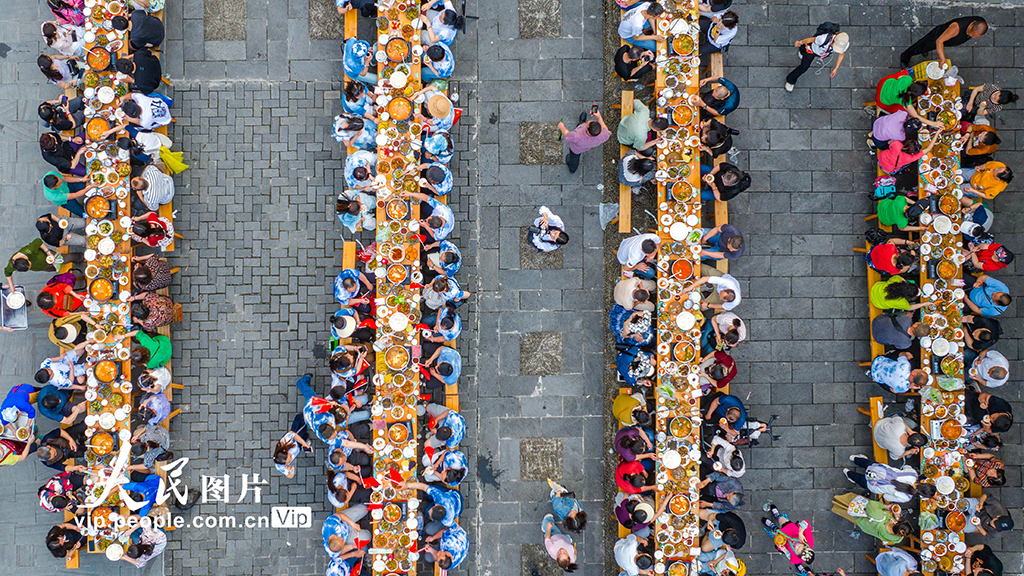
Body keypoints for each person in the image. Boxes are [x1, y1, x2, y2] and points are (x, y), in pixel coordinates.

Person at [843, 455, 936, 503]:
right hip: (875, 486)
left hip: (880, 470)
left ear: (924, 483)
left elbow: (906, 466)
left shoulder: (913, 475)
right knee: (859, 479)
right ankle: (848, 473)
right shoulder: (906, 498)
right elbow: (886, 497)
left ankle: (854, 458)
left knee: (866, 463)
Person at [900, 16, 987, 68]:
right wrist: (942, 58)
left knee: (928, 48)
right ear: (971, 25)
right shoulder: (956, 28)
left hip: (948, 40)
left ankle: (925, 50)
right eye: (972, 35)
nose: (973, 38)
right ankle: (904, 57)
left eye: (975, 37)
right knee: (919, 47)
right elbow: (939, 41)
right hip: (937, 37)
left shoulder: (980, 22)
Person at [784, 27, 849, 91]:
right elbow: (810, 40)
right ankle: (790, 80)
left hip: (821, 53)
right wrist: (799, 43)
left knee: (804, 51)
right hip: (812, 50)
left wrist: (836, 68)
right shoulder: (823, 39)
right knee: (803, 67)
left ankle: (802, 52)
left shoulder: (844, 44)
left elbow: (841, 54)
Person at [831, 492, 910, 544]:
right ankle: (836, 507)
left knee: (847, 504)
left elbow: (871, 505)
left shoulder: (880, 517)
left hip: (860, 511)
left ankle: (837, 500)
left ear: (896, 523)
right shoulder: (897, 539)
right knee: (846, 513)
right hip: (866, 525)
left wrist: (886, 506)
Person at [761, 501, 814, 571]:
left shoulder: (796, 560)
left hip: (784, 542)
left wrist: (785, 550)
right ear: (805, 545)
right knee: (781, 520)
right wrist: (800, 533)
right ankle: (777, 515)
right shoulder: (809, 541)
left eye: (797, 550)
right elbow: (806, 523)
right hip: (791, 529)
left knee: (776, 532)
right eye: (800, 546)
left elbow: (790, 557)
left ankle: (772, 525)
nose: (796, 546)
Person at [558, 107, 610, 174]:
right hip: (585, 146)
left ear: (587, 129)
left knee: (574, 158)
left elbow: (567, 134)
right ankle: (581, 122)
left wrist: (561, 127)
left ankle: (572, 168)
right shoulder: (604, 135)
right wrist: (599, 117)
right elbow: (605, 129)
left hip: (576, 149)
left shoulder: (577, 136)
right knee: (580, 125)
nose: (589, 121)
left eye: (588, 123)